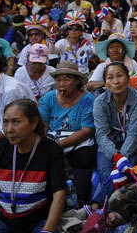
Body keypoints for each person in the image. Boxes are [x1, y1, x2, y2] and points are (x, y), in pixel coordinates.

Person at [0, 100, 66, 233]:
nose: (9, 129)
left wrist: (47, 230)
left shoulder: (51, 151)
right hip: (6, 222)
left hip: (41, 221)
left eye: (16, 122)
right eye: (5, 122)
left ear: (33, 123)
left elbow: (59, 194)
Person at [92, 61, 137, 206]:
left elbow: (134, 135)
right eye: (110, 78)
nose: (116, 81)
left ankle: (96, 206)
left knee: (121, 173)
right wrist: (116, 156)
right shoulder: (100, 102)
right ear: (105, 83)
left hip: (136, 145)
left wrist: (120, 161)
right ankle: (110, 209)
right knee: (108, 174)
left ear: (128, 79)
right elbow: (101, 135)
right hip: (108, 147)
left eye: (120, 76)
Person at [39, 61, 95, 205]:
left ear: (77, 81)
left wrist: (59, 145)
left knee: (84, 158)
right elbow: (43, 127)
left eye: (66, 79)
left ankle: (83, 203)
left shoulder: (88, 100)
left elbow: (87, 130)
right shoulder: (48, 99)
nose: (61, 83)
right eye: (58, 79)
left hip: (77, 141)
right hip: (53, 138)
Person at [88, 33, 137, 99]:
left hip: (132, 98)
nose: (115, 49)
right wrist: (109, 82)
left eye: (118, 47)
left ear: (123, 50)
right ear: (108, 52)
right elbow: (90, 86)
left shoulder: (132, 63)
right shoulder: (102, 66)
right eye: (111, 47)